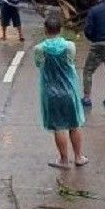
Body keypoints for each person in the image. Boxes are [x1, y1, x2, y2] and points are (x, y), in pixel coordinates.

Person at [34, 13, 88, 169]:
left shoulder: (40, 49)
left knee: (58, 126)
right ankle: (79, 156)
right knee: (74, 123)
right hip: (69, 89)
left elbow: (39, 65)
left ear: (45, 29)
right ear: (60, 29)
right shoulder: (70, 46)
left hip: (50, 90)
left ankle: (64, 159)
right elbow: (71, 61)